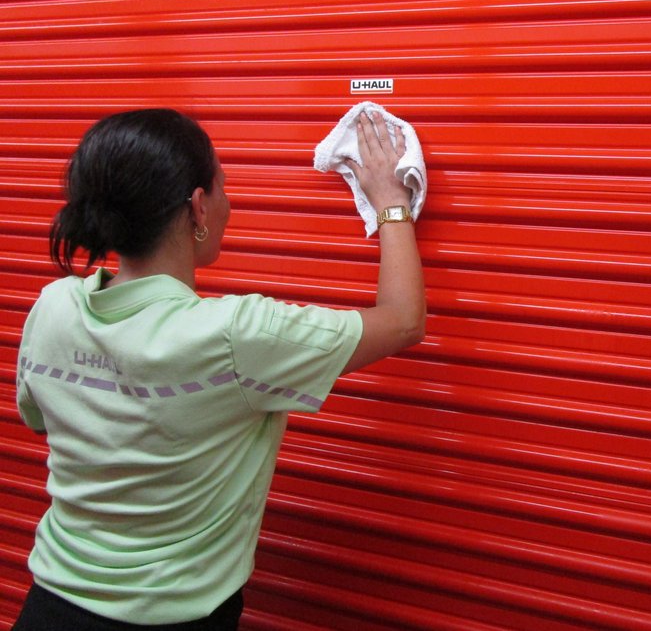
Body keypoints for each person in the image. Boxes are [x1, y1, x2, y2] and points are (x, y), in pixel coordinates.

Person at [12, 108, 425, 630]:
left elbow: (43, 420)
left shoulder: (53, 306)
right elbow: (404, 321)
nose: (230, 203)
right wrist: (390, 203)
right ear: (198, 207)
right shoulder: (236, 336)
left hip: (47, 608)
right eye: (223, 186)